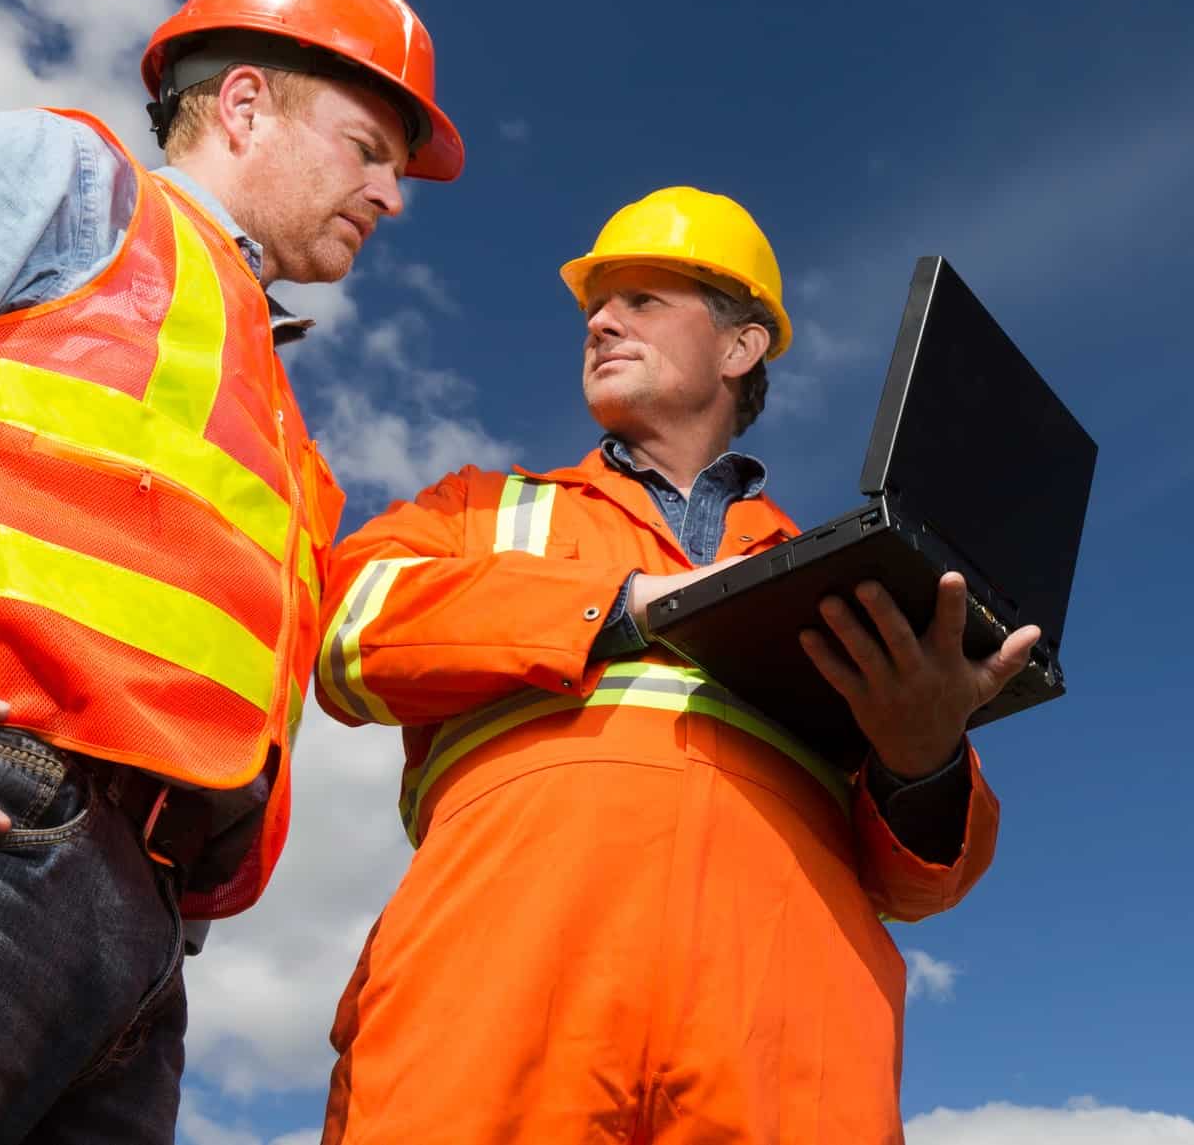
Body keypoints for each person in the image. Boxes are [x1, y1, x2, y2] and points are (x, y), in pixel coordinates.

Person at [0, 0, 461, 1141]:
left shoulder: (280, 422)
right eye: (368, 146)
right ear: (242, 105)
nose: (390, 192)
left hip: (137, 941)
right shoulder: (78, 189)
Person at [314, 186, 1038, 1143]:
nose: (601, 322)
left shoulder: (842, 576)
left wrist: (924, 759)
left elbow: (926, 881)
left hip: (781, 1043)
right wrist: (617, 605)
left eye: (644, 300)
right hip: (497, 1001)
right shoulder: (480, 510)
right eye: (596, 308)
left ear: (740, 348)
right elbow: (346, 633)